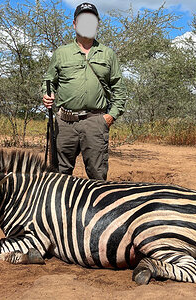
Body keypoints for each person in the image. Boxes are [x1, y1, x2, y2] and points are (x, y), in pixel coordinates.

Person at [42, 2, 126, 180]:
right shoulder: (61, 52)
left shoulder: (108, 54)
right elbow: (49, 81)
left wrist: (110, 116)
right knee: (58, 177)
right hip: (64, 123)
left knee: (97, 177)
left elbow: (119, 89)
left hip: (95, 122)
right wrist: (47, 94)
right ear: (74, 24)